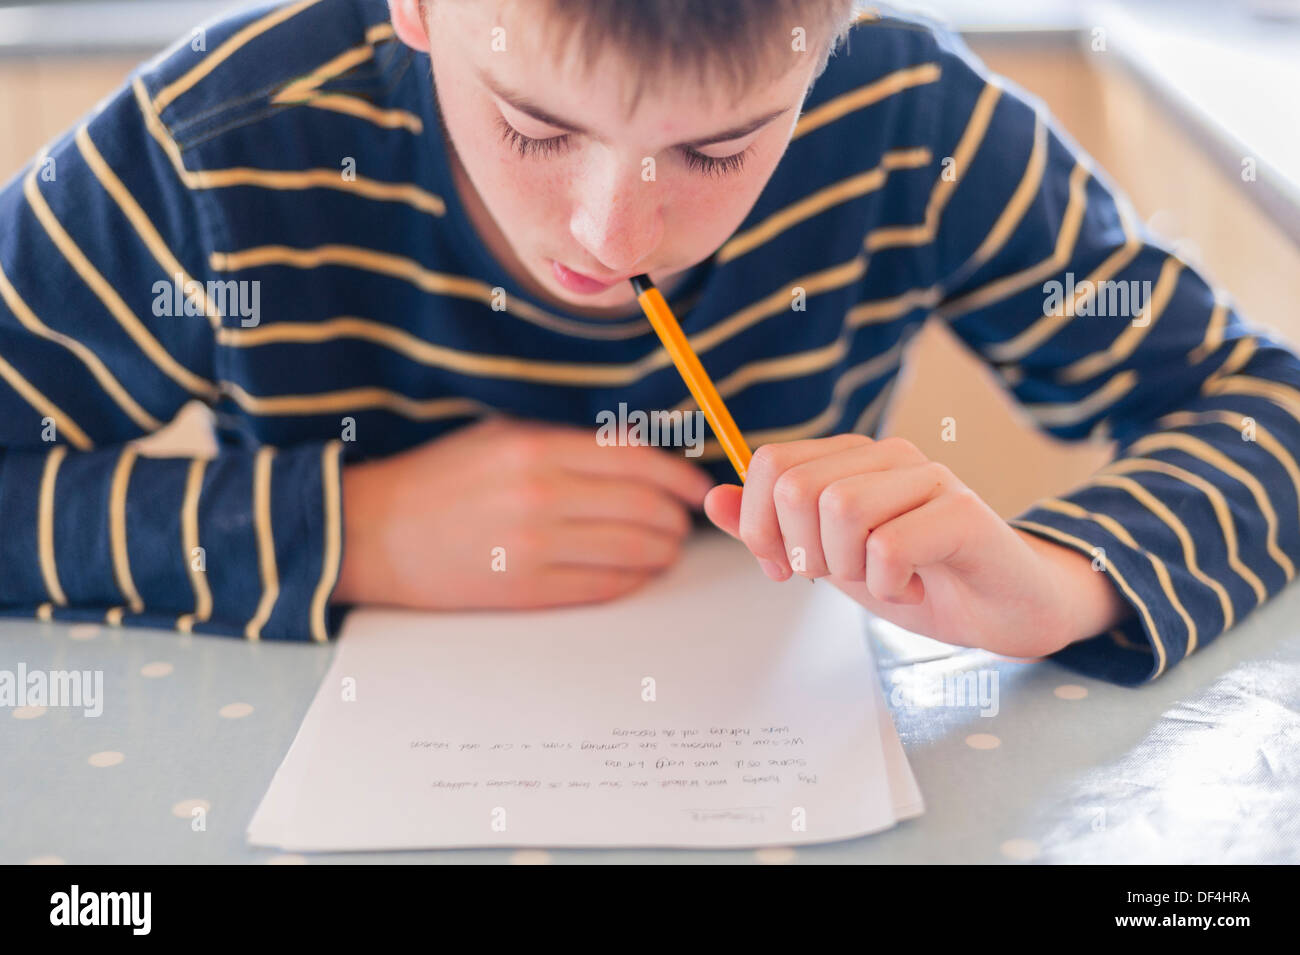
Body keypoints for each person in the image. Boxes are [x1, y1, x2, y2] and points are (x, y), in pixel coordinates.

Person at [1, 0, 1296, 686]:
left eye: (720, 149)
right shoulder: (218, 141)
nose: (615, 233)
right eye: (532, 125)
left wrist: (1063, 581)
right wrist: (354, 529)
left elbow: (1261, 402)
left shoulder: (913, 117)